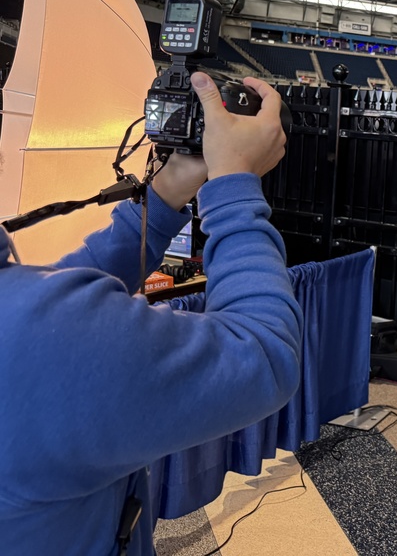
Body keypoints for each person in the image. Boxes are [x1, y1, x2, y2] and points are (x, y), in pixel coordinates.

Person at [0, 73, 300, 556]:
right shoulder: (33, 336)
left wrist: (162, 198)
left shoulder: (24, 318)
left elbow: (50, 304)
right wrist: (234, 189)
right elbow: (263, 354)